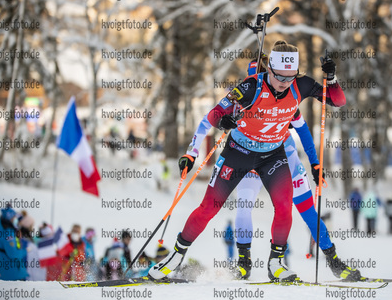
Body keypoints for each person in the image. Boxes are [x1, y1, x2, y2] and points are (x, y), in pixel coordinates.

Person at [148, 40, 351, 282]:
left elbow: (337, 101)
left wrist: (332, 79)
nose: (284, 84)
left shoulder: (301, 85)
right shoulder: (251, 86)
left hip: (272, 156)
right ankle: (175, 257)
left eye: (290, 78)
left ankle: (275, 263)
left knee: (285, 208)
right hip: (238, 152)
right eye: (279, 77)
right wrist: (220, 125)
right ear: (270, 70)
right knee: (209, 207)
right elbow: (213, 114)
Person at [0, 206, 28, 280]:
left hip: (1, 273)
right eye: (14, 217)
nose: (15, 219)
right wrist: (25, 251)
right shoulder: (8, 232)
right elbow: (13, 254)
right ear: (10, 218)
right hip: (14, 274)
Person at [18, 211, 46, 281]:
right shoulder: (24, 240)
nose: (32, 227)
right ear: (27, 226)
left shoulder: (28, 239)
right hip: (24, 273)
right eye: (31, 225)